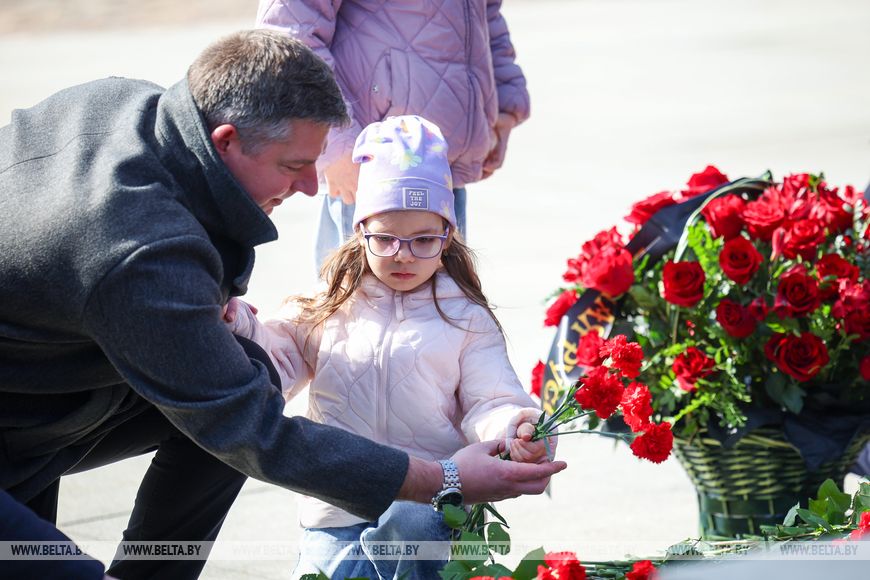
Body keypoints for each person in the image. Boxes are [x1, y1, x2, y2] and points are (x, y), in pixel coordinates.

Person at [0, 30, 565, 580]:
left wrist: (513, 425)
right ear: (226, 141)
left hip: (35, 393)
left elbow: (490, 394)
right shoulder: (139, 253)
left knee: (244, 374)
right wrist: (443, 479)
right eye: (294, 166)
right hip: (25, 414)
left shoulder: (125, 110)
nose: (312, 188)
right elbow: (251, 427)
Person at [226, 115, 552, 580]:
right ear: (360, 231)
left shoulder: (465, 317)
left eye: (423, 240)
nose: (403, 254)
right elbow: (276, 359)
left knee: (410, 526)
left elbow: (491, 399)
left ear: (447, 237)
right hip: (337, 502)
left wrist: (516, 427)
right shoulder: (329, 302)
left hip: (430, 500)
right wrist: (240, 324)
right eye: (385, 238)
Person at [255, 0, 530, 271]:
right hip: (371, 171)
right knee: (358, 298)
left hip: (443, 165)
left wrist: (503, 106)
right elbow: (288, 30)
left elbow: (487, 15)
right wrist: (337, 142)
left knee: (444, 296)